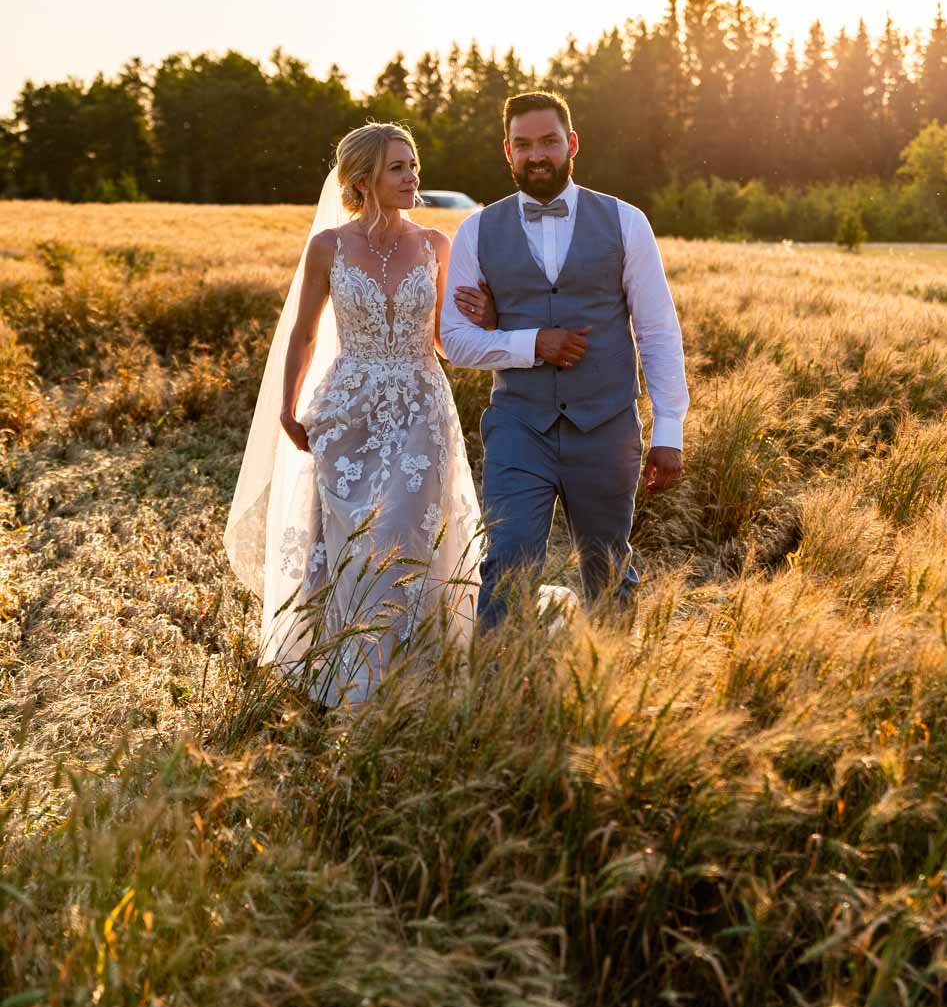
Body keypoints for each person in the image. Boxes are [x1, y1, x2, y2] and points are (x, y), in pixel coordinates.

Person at [224, 122, 490, 705]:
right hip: (347, 411)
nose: (413, 176)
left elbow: (446, 340)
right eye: (399, 168)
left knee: (404, 533)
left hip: (422, 405)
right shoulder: (329, 247)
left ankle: (411, 674)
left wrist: (484, 316)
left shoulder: (436, 245)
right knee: (348, 542)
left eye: (414, 164)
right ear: (364, 179)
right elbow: (304, 334)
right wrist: (290, 407)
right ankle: (345, 670)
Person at [442, 90, 689, 631]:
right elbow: (454, 338)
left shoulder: (627, 222)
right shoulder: (476, 231)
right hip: (518, 426)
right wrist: (532, 344)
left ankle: (615, 688)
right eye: (523, 144)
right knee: (506, 563)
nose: (537, 155)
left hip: (605, 425)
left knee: (608, 570)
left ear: (571, 143)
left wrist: (669, 428)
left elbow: (657, 331)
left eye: (549, 141)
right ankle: (492, 700)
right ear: (506, 151)